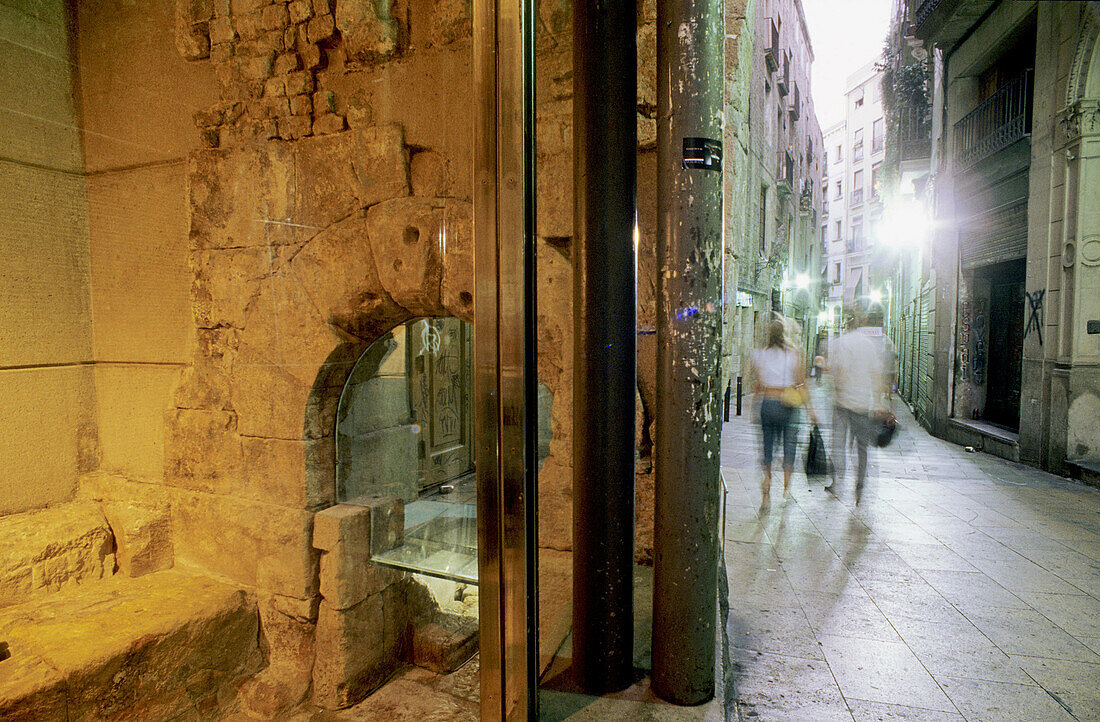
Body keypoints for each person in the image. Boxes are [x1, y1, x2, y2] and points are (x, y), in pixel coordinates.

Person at [824, 305, 897, 503]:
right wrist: (880, 401)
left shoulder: (840, 344)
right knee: (862, 447)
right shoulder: (869, 345)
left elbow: (834, 372)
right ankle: (860, 484)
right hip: (863, 404)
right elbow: (876, 375)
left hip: (842, 403)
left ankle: (837, 481)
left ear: (847, 324)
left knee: (838, 444)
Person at [750, 318, 818, 503]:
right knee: (790, 446)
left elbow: (758, 385)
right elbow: (801, 382)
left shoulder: (760, 355)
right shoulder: (793, 354)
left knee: (767, 444)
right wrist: (810, 409)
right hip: (788, 405)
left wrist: (754, 405)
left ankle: (767, 481)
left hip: (768, 403)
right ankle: (787, 488)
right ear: (784, 334)